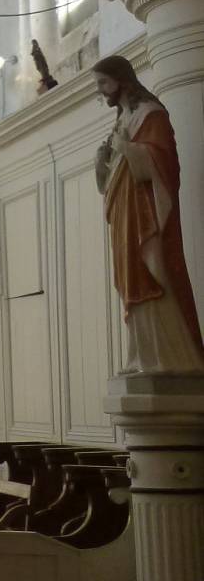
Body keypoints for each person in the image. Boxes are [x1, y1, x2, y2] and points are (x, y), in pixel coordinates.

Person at [93, 54, 204, 373]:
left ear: (121, 79)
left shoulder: (150, 114)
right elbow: (112, 176)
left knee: (150, 272)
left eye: (103, 82)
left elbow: (164, 164)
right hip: (124, 210)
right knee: (130, 277)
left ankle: (168, 358)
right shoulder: (122, 120)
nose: (101, 90)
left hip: (146, 213)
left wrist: (127, 149)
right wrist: (103, 162)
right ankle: (140, 356)